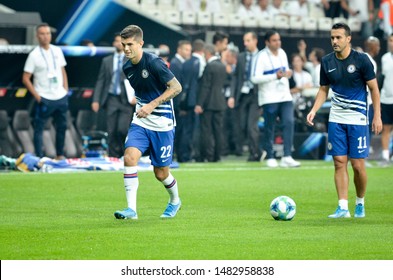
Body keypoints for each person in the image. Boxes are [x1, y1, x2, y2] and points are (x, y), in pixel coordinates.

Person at [306, 23, 382, 218]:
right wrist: (314, 110)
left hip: (357, 118)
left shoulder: (362, 60)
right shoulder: (326, 62)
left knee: (357, 165)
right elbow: (324, 89)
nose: (334, 41)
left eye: (338, 37)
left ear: (348, 39)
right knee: (339, 162)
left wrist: (377, 116)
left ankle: (360, 202)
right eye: (332, 38)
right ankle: (342, 207)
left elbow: (374, 89)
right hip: (336, 117)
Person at [113, 25, 182, 220]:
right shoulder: (126, 67)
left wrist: (152, 104)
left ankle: (175, 200)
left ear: (140, 43)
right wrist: (143, 106)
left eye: (130, 44)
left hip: (163, 123)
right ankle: (131, 210)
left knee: (160, 174)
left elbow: (176, 87)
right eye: (123, 44)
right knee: (129, 157)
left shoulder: (154, 63)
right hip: (141, 122)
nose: (126, 49)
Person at [251, 30, 301, 168]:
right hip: (269, 97)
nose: (277, 42)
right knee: (270, 126)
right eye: (274, 40)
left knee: (289, 122)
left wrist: (288, 74)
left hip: (284, 95)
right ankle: (270, 155)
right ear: (267, 42)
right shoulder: (261, 56)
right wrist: (275, 76)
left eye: (278, 39)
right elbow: (254, 78)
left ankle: (287, 156)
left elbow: (284, 72)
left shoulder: (283, 53)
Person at [22, 23, 68, 160]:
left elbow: (62, 69)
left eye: (47, 33)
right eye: (42, 34)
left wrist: (65, 88)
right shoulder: (34, 55)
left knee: (62, 127)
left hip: (60, 95)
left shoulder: (57, 50)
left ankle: (60, 154)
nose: (45, 36)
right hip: (44, 96)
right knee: (39, 127)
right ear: (37, 36)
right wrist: (37, 96)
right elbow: (25, 78)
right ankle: (39, 156)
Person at [92, 32, 135, 158]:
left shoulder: (131, 60)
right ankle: (113, 157)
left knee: (122, 129)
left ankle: (124, 153)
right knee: (111, 131)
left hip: (126, 100)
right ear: (113, 43)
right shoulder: (107, 61)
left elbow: (137, 80)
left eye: (121, 42)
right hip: (111, 98)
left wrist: (136, 96)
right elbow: (101, 80)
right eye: (117, 41)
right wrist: (96, 100)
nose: (119, 44)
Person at [231, 31, 262, 161]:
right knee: (242, 125)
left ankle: (255, 153)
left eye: (248, 40)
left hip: (256, 95)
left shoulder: (262, 56)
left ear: (255, 41)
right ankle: (257, 150)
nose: (245, 43)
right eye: (245, 41)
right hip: (243, 95)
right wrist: (232, 96)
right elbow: (236, 77)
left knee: (251, 125)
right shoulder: (242, 56)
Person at [194, 43, 227, 162]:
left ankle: (207, 155)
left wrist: (199, 104)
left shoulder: (209, 66)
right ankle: (217, 156)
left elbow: (205, 87)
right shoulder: (222, 66)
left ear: (207, 53)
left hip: (208, 104)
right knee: (218, 131)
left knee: (206, 131)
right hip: (220, 102)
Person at [179, 39, 206, 162]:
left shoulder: (186, 63)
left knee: (185, 129)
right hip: (194, 101)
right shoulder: (200, 62)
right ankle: (188, 155)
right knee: (192, 130)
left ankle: (183, 154)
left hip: (185, 100)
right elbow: (200, 83)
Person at [380, 33, 393, 164]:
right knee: (386, 128)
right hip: (386, 99)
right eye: (390, 40)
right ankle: (385, 156)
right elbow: (382, 78)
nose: (391, 43)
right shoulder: (384, 58)